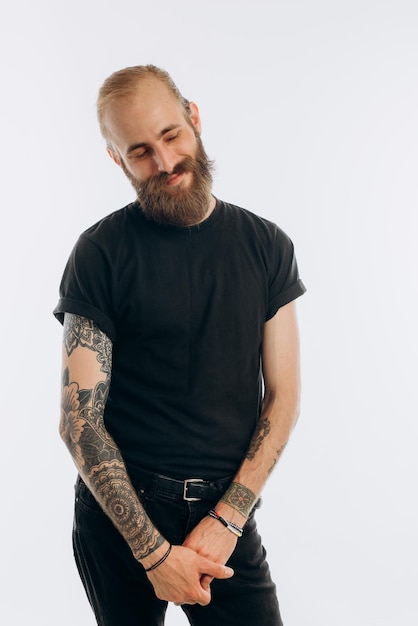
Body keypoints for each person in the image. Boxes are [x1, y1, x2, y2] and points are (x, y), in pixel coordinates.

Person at [54, 64, 306, 626]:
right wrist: (152, 553)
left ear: (194, 118)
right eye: (140, 151)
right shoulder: (99, 253)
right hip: (120, 518)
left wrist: (227, 521)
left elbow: (283, 396)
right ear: (116, 159)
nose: (165, 163)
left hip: (226, 514)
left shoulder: (268, 246)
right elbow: (80, 423)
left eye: (171, 135)